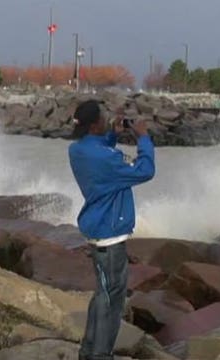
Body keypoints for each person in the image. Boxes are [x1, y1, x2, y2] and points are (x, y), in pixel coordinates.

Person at [68, 100, 155, 360]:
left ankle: (88, 350)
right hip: (109, 236)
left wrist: (113, 135)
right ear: (94, 124)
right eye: (104, 118)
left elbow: (99, 151)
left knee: (102, 293)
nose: (108, 119)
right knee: (112, 301)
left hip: (97, 229)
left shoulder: (78, 150)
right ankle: (100, 354)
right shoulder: (108, 159)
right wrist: (143, 139)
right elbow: (146, 170)